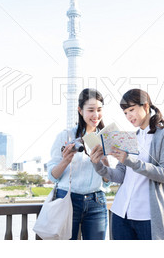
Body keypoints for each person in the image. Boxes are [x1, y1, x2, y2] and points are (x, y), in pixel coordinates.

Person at [90, 89, 164, 240]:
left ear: (145, 107)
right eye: (125, 112)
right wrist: (97, 165)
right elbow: (120, 176)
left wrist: (130, 161)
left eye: (131, 110)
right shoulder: (128, 138)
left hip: (148, 217)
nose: (128, 116)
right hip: (121, 213)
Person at [47, 88, 110, 240]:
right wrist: (66, 160)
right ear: (80, 110)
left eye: (99, 110)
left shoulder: (107, 137)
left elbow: (108, 182)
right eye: (91, 110)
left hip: (96, 201)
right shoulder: (65, 135)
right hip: (67, 198)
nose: (96, 115)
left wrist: (104, 158)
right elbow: (52, 176)